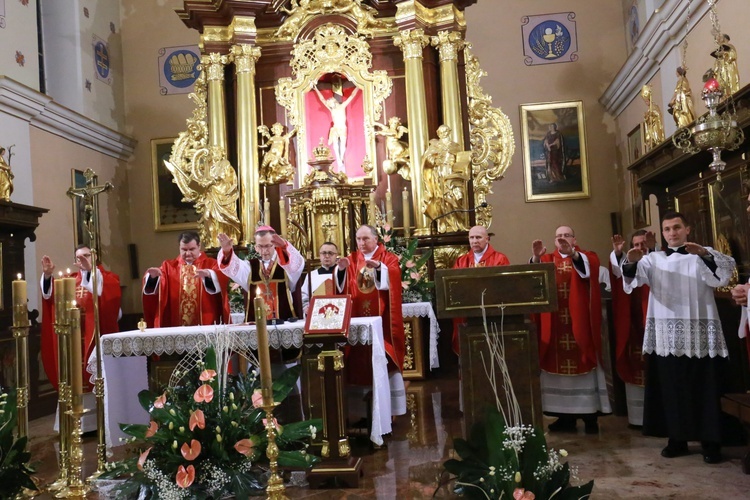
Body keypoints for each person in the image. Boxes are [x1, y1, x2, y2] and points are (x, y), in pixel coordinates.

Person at [621, 211, 735, 464]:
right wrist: (630, 260)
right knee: (672, 390)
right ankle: (677, 439)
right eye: (667, 229)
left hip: (699, 332)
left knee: (704, 388)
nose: (672, 233)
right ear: (662, 233)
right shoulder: (654, 259)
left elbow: (724, 273)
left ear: (687, 229)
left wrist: (704, 254)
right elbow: (632, 278)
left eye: (676, 228)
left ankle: (711, 442)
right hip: (667, 335)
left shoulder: (700, 254)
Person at [531, 226, 610, 433]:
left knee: (584, 363)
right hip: (556, 324)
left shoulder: (586, 256)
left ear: (574, 239)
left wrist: (573, 254)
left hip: (580, 323)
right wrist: (536, 259)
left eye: (566, 235)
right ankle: (564, 417)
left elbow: (589, 271)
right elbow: (534, 279)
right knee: (555, 369)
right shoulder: (547, 259)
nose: (562, 239)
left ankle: (590, 416)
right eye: (558, 237)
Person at [40, 245, 122, 390]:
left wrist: (91, 271)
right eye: (79, 257)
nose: (83, 259)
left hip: (95, 335)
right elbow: (51, 298)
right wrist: (47, 276)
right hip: (73, 337)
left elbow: (110, 301)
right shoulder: (69, 280)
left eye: (87, 255)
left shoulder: (108, 278)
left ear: (95, 257)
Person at [334, 225, 405, 386]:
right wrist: (341, 270)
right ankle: (360, 393)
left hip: (383, 318)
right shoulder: (351, 259)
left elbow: (394, 279)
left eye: (365, 239)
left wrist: (380, 268)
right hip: (357, 316)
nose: (361, 242)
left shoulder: (388, 258)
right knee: (358, 357)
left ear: (376, 239)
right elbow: (341, 288)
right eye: (358, 239)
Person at [609, 230, 654, 427]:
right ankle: (637, 418)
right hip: (633, 327)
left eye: (643, 244)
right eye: (635, 244)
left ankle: (658, 416)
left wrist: (652, 250)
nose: (639, 248)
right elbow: (619, 273)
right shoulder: (629, 263)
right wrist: (619, 254)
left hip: (653, 325)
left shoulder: (658, 260)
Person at [216, 226, 304, 322]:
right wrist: (227, 252)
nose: (264, 251)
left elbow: (297, 265)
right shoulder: (250, 267)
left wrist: (284, 247)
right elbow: (232, 268)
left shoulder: (286, 264)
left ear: (275, 244)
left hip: (285, 321)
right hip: (257, 323)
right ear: (255, 247)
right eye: (260, 246)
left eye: (267, 246)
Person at [143, 231, 229, 327]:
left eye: (192, 249)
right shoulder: (169, 267)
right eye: (184, 249)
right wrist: (153, 278)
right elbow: (154, 290)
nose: (188, 253)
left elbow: (222, 281)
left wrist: (210, 275)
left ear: (199, 246)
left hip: (206, 324)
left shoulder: (211, 264)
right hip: (176, 326)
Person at [451, 225, 510, 353]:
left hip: (492, 312)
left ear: (487, 239)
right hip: (468, 312)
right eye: (471, 238)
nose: (474, 241)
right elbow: (454, 286)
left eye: (478, 237)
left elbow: (504, 286)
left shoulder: (500, 259)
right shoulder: (462, 261)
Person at [312, 82, 360, 169]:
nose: (330, 106)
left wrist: (358, 86)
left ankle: (341, 158)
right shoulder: (332, 109)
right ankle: (338, 159)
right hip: (335, 129)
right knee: (335, 146)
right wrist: (316, 89)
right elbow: (322, 100)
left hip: (342, 128)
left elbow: (352, 96)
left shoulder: (342, 106)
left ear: (333, 102)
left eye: (330, 104)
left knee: (342, 145)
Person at [301, 242, 339, 317]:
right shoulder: (311, 275)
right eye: (324, 253)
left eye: (330, 253)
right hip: (317, 315)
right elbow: (304, 295)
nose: (327, 256)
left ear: (336, 255)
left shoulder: (342, 274)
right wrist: (306, 308)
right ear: (320, 255)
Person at [711, 33, 740, 98]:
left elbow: (733, 56)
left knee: (729, 83)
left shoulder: (730, 46)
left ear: (725, 39)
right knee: (721, 86)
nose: (718, 40)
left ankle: (731, 95)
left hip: (729, 68)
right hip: (722, 70)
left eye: (720, 37)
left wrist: (724, 53)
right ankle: (724, 97)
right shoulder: (719, 50)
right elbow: (717, 64)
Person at [641, 84, 665, 151]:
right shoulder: (649, 109)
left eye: (646, 101)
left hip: (655, 126)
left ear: (649, 100)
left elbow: (658, 114)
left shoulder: (654, 106)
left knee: (656, 137)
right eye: (645, 102)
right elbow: (648, 120)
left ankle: (656, 141)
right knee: (651, 139)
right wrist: (646, 117)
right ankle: (652, 143)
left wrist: (652, 113)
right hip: (651, 127)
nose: (646, 103)